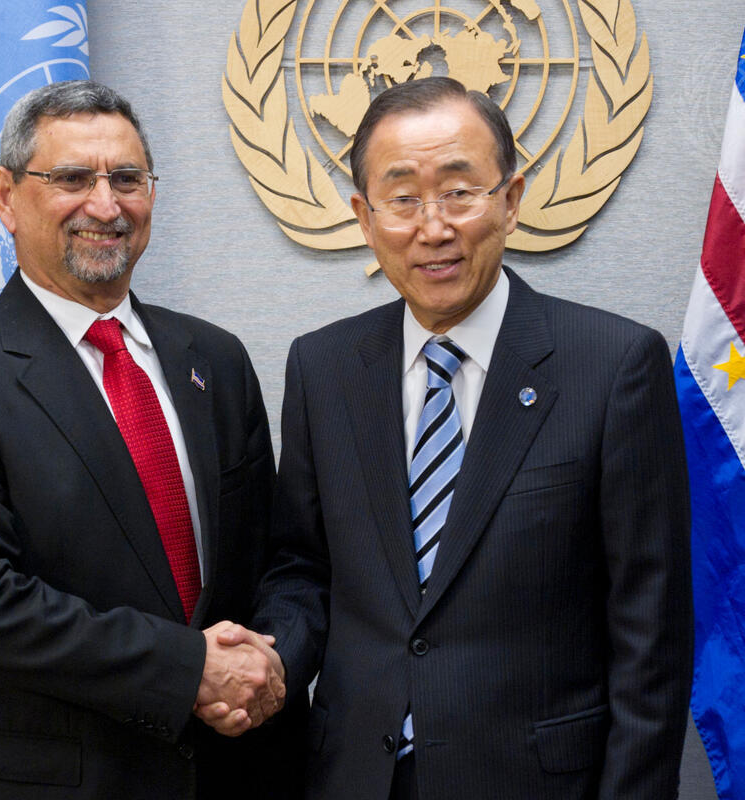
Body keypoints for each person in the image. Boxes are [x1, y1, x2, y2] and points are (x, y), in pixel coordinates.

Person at [235, 76, 693, 798]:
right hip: (357, 776)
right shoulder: (323, 367)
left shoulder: (614, 366)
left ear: (510, 199)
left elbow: (651, 635)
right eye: (402, 198)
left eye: (458, 191)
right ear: (364, 217)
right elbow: (303, 567)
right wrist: (272, 663)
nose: (434, 227)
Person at [0, 80, 303, 799]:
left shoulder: (215, 359)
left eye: (127, 180)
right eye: (73, 179)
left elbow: (275, 558)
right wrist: (190, 670)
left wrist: (267, 666)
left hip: (230, 771)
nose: (106, 207)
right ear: (7, 197)